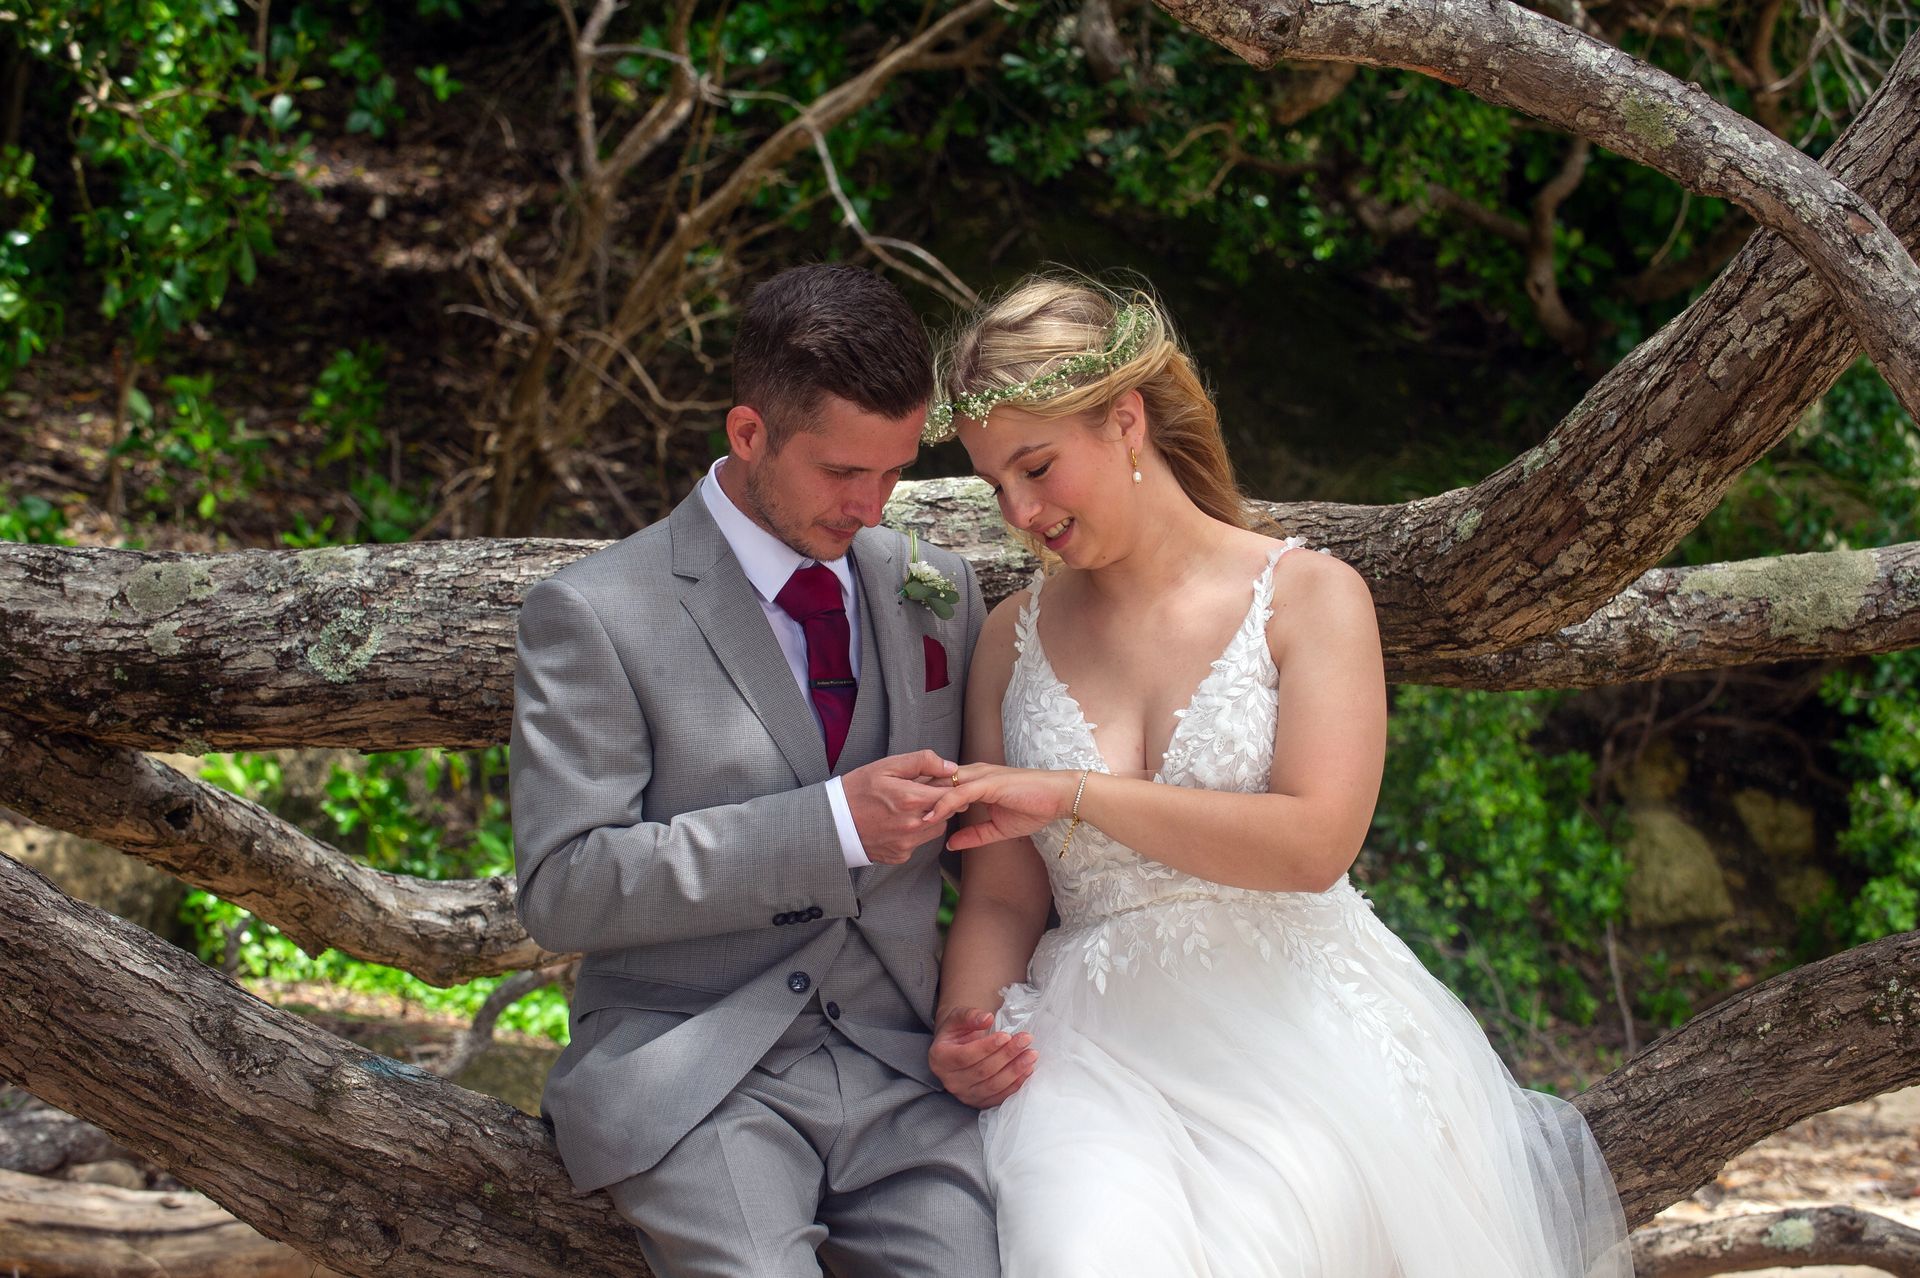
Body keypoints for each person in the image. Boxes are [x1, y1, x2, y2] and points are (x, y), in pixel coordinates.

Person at [919, 275, 1632, 1277]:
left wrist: (1072, 794)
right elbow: (1001, 890)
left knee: (1279, 1235)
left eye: (1037, 467)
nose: (1021, 511)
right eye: (998, 485)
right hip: (1090, 1050)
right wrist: (966, 1020)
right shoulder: (1010, 638)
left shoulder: (1309, 597)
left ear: (1127, 422)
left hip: (1300, 1035)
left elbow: (1312, 845)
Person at [509, 264, 999, 1277]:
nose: (872, 506)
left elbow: (989, 855)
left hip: (904, 1078)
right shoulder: (596, 613)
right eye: (841, 473)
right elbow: (565, 888)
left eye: (894, 472)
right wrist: (823, 829)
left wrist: (977, 1017)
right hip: (697, 1077)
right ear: (747, 435)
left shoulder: (938, 594)